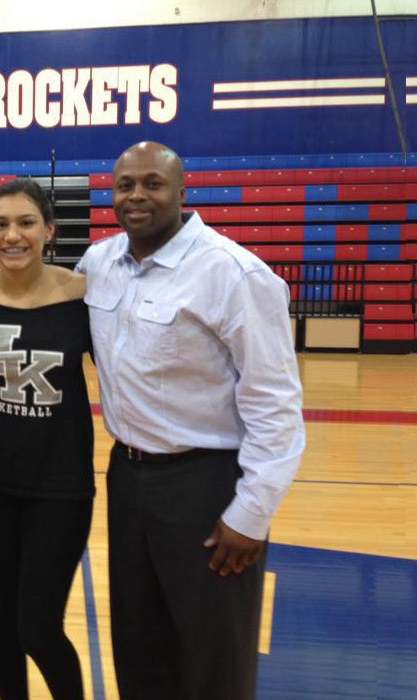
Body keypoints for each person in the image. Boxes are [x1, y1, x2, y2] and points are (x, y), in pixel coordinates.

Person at [77, 141, 305, 699]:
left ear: (182, 192)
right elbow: (38, 298)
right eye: (125, 185)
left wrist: (251, 513)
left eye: (152, 184)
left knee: (214, 656)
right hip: (128, 478)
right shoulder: (98, 264)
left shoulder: (234, 274)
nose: (136, 195)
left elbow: (275, 403)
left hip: (206, 485)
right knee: (139, 642)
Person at [0, 178, 95, 699]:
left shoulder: (84, 296)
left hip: (60, 487)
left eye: (26, 222)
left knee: (38, 625)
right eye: (0, 224)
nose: (13, 235)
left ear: (49, 230)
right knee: (2, 622)